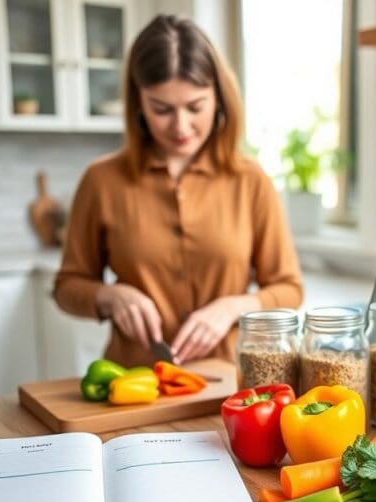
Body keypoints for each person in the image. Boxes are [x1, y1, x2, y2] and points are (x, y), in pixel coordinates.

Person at [54, 15, 303, 367]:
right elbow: (67, 287)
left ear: (219, 98)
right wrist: (110, 296)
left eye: (195, 107)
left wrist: (234, 306)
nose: (181, 126)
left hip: (228, 384)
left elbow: (289, 289)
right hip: (133, 384)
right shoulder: (101, 180)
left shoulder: (250, 180)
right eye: (162, 109)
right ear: (138, 102)